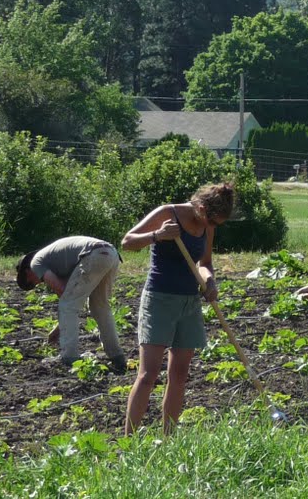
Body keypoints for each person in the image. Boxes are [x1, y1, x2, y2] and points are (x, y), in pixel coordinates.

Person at [120, 181, 234, 435]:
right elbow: (127, 242)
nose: (212, 227)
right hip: (159, 299)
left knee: (180, 375)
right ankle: (129, 441)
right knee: (148, 374)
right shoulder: (167, 213)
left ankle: (168, 437)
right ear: (202, 208)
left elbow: (205, 263)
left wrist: (210, 281)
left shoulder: (207, 226)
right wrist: (157, 236)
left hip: (189, 302)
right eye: (212, 221)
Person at [17, 236, 128, 374]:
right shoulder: (57, 260)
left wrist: (61, 327)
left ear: (27, 271)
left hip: (93, 255)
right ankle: (116, 356)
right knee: (100, 307)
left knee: (68, 305)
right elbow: (71, 295)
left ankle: (69, 356)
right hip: (110, 253)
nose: (37, 283)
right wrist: (59, 328)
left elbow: (65, 296)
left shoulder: (36, 263)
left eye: (31, 282)